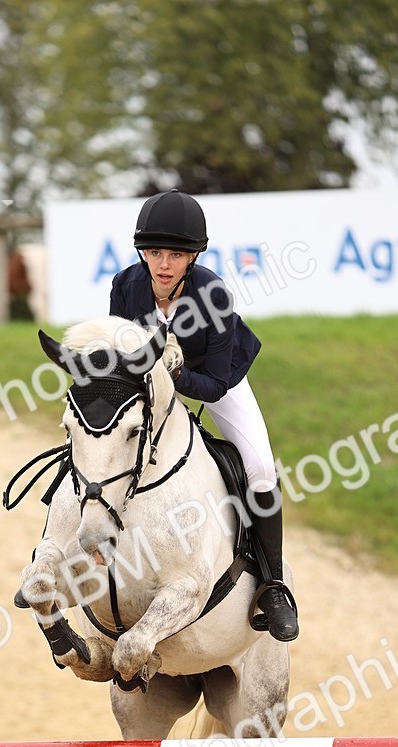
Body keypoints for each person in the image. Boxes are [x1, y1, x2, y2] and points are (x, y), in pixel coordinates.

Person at [109, 188, 299, 642]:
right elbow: (120, 356)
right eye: (154, 252)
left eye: (175, 254)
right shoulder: (125, 287)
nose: (163, 265)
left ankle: (273, 586)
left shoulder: (211, 293)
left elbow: (214, 384)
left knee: (257, 465)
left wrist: (169, 373)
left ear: (193, 257)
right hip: (155, 377)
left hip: (217, 378)